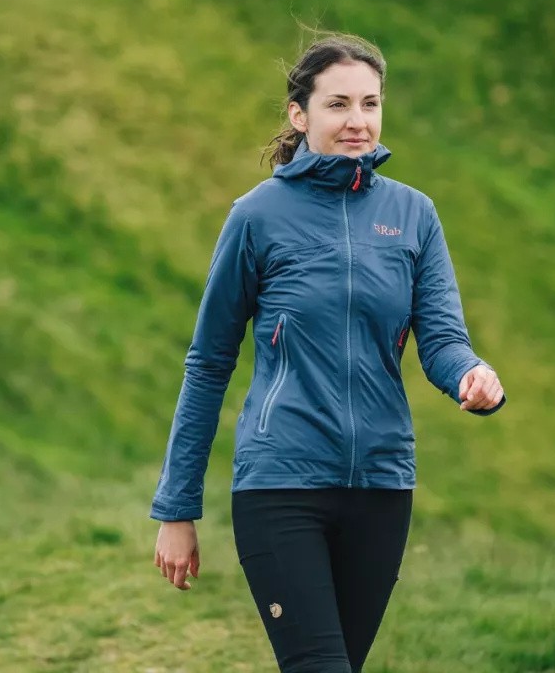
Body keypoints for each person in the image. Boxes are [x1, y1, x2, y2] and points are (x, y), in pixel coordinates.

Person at [150, 33, 506, 672]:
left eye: (370, 104)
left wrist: (473, 379)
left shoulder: (414, 215)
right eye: (338, 104)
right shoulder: (257, 217)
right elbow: (208, 364)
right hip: (281, 485)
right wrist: (177, 508)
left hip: (381, 486)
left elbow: (444, 343)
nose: (357, 122)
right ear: (299, 114)